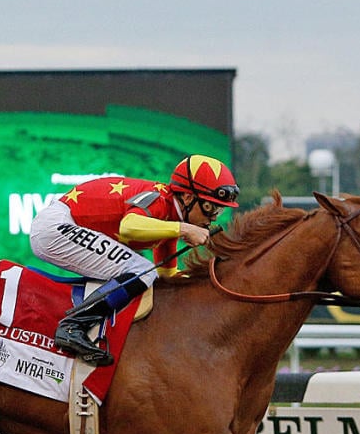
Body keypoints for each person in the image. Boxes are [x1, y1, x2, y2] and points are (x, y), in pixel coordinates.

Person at [29, 154, 239, 365]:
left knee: (146, 273)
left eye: (219, 210)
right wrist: (184, 229)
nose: (213, 217)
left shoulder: (171, 217)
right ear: (186, 198)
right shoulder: (160, 199)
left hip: (60, 225)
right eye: (210, 207)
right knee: (142, 269)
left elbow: (167, 276)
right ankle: (73, 326)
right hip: (54, 227)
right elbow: (128, 227)